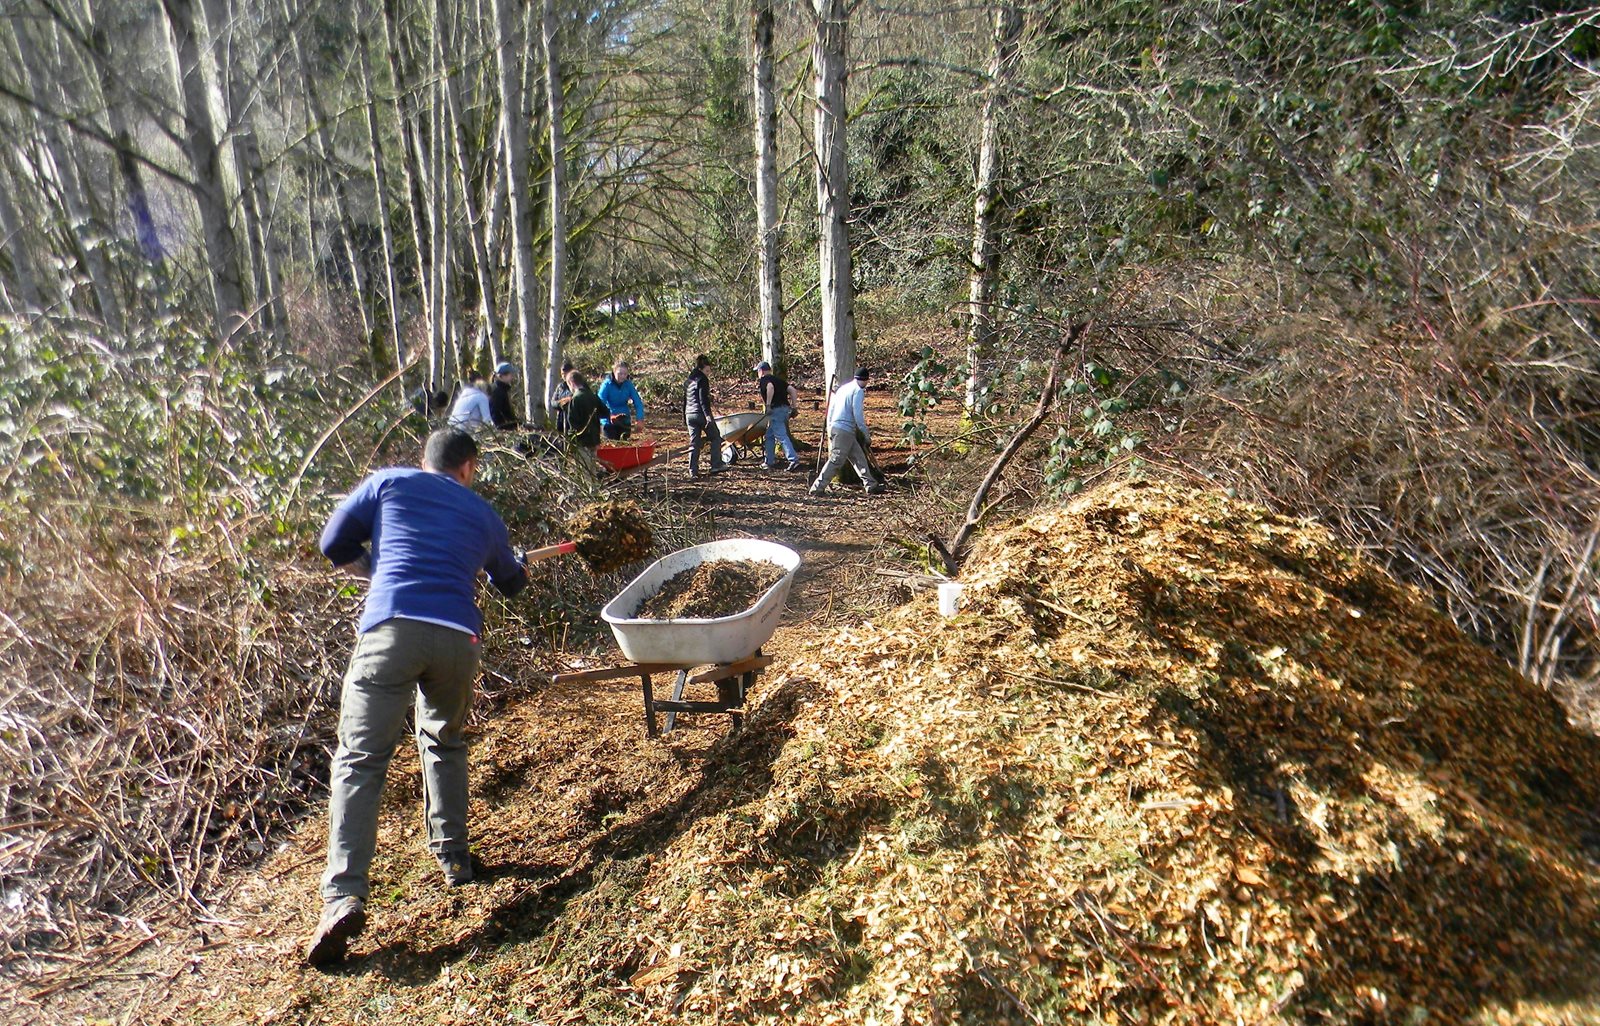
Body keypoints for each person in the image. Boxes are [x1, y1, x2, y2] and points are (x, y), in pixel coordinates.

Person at [306, 428, 529, 966]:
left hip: (391, 630)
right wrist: (515, 559)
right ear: (469, 467)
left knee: (360, 759)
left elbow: (333, 543)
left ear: (424, 460)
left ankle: (343, 896)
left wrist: (375, 569)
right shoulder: (482, 515)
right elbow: (511, 583)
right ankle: (455, 858)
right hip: (457, 637)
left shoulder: (389, 483)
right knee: (445, 740)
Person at [810, 367, 884, 496]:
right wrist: (865, 434)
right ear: (866, 380)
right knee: (836, 459)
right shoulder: (858, 390)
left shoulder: (843, 388)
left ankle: (870, 485)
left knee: (858, 457)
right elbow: (858, 414)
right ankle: (817, 487)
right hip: (845, 429)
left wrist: (831, 426)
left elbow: (831, 408)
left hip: (837, 426)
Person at [753, 360, 801, 472]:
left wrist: (768, 405)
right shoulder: (779, 380)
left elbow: (770, 388)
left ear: (761, 371)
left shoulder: (765, 380)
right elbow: (792, 390)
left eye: (758, 372)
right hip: (785, 409)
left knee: (781, 435)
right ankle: (769, 461)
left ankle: (793, 460)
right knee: (769, 435)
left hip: (776, 410)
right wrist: (794, 407)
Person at [684, 353, 725, 479]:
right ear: (702, 369)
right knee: (716, 437)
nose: (708, 373)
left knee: (694, 443)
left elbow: (685, 400)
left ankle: (693, 470)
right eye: (707, 370)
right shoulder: (702, 379)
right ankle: (716, 464)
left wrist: (683, 416)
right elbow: (703, 399)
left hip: (689, 414)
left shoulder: (689, 379)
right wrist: (708, 416)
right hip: (700, 414)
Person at [564, 369, 607, 470]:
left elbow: (572, 424)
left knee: (585, 472)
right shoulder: (593, 396)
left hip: (582, 443)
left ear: (571, 383)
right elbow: (605, 412)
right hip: (594, 439)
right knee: (593, 471)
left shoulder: (575, 399)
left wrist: (571, 442)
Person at [596, 360, 645, 440]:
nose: (622, 376)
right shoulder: (607, 384)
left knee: (624, 445)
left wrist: (640, 419)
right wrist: (609, 415)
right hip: (609, 421)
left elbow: (638, 402)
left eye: (625, 374)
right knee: (612, 445)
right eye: (620, 374)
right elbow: (599, 403)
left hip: (624, 419)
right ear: (614, 372)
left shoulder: (628, 384)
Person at [488, 363, 520, 431]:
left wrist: (517, 423)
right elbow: (495, 413)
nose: (512, 377)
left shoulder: (501, 389)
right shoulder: (497, 391)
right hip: (499, 428)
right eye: (510, 374)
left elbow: (506, 412)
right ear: (502, 376)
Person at [550, 361, 575, 432]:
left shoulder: (576, 385)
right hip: (561, 419)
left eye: (565, 373)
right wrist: (561, 403)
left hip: (573, 419)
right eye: (562, 374)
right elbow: (553, 402)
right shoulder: (560, 387)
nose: (563, 376)